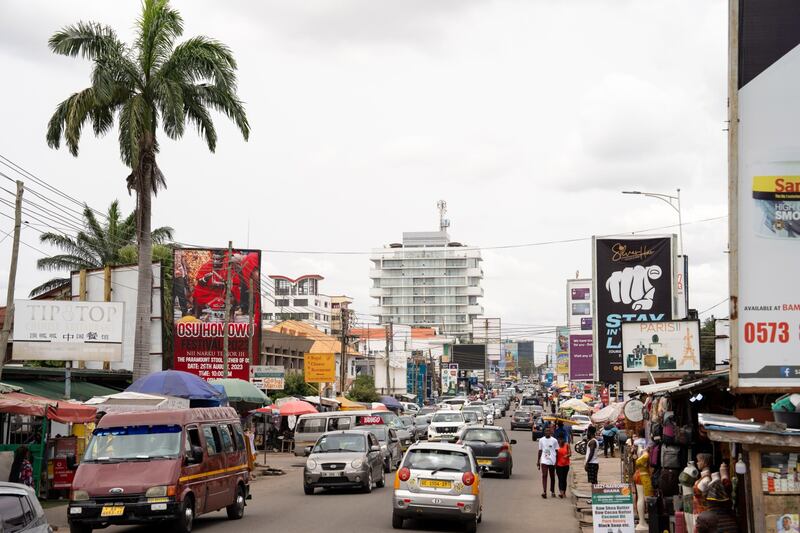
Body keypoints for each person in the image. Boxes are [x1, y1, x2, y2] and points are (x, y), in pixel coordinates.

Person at [537, 425, 558, 499]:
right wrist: (538, 461)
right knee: (544, 475)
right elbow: (540, 451)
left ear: (551, 432)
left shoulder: (554, 440)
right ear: (544, 432)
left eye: (549, 431)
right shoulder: (541, 440)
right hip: (544, 460)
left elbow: (556, 451)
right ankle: (544, 492)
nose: (547, 432)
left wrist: (556, 461)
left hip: (552, 461)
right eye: (546, 431)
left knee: (552, 476)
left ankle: (552, 491)